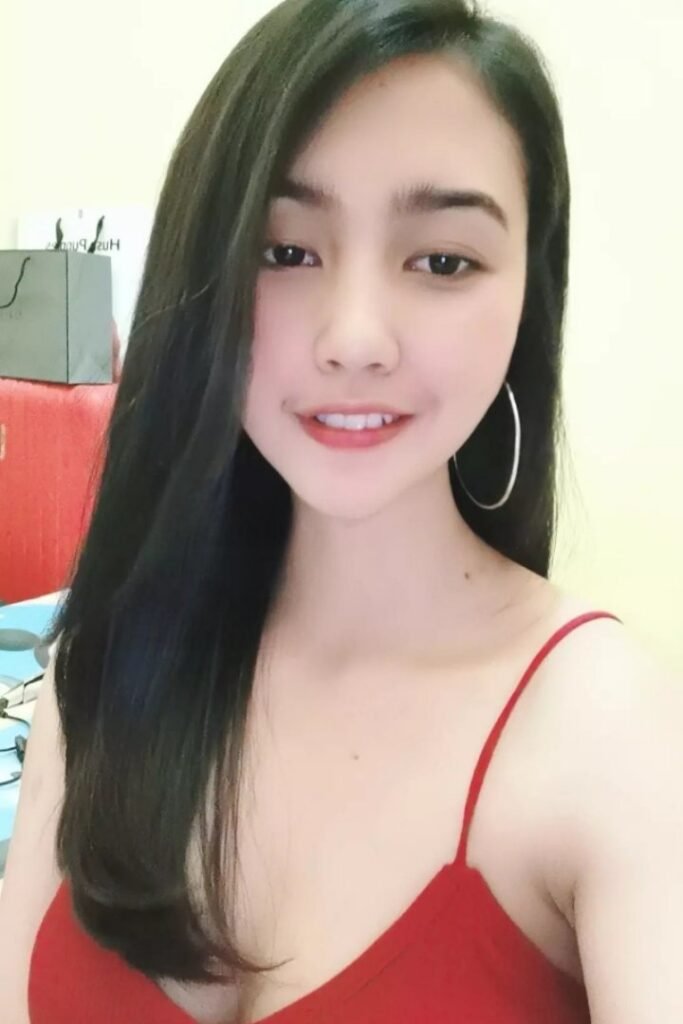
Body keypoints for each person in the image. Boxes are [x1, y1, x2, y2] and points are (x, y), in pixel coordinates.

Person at [1, 1, 681, 1021]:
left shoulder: (610, 737)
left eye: (441, 260)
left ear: (524, 296)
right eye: (284, 252)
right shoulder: (100, 670)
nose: (354, 338)